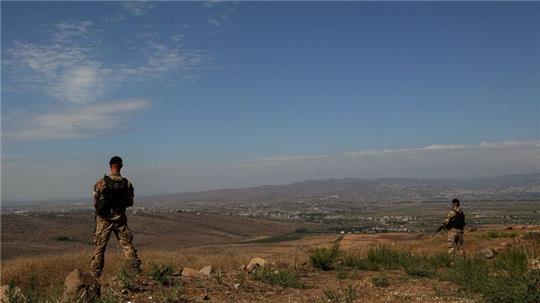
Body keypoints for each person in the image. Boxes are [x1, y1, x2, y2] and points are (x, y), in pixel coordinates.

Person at [90, 156, 141, 278]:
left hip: (104, 220)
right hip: (120, 219)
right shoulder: (127, 183)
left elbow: (95, 201)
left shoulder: (101, 182)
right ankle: (135, 272)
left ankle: (95, 276)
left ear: (110, 166)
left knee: (100, 248)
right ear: (121, 166)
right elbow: (130, 202)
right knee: (127, 245)